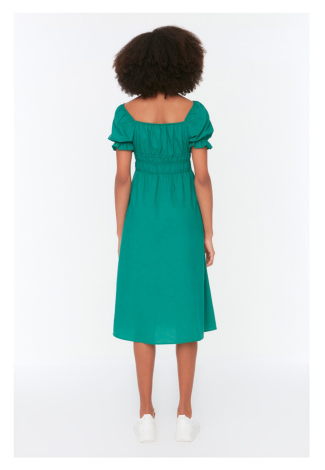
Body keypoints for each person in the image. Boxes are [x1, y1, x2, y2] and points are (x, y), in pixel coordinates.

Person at [108, 25, 217, 443]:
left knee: (143, 315)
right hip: (183, 217)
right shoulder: (195, 113)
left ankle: (145, 416)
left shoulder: (126, 115)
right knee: (186, 313)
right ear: (184, 64)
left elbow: (122, 178)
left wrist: (123, 231)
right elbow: (202, 178)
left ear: (135, 66)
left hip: (141, 219)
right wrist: (208, 233)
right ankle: (185, 416)